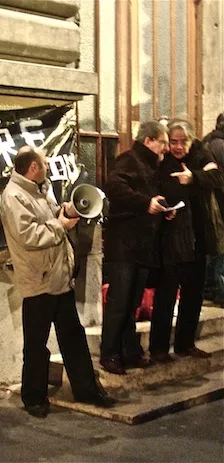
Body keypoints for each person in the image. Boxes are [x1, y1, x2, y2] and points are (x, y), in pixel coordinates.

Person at [0, 145, 116, 419]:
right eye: (45, 164)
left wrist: (66, 210)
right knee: (37, 343)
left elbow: (51, 215)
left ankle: (87, 389)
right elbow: (29, 236)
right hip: (38, 280)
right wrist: (61, 226)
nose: (49, 167)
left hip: (58, 277)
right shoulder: (14, 197)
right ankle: (34, 397)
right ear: (33, 168)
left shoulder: (40, 190)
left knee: (73, 337)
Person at [151, 118, 223, 360]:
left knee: (194, 293)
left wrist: (194, 178)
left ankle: (185, 343)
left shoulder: (200, 156)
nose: (178, 146)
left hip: (198, 235)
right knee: (166, 294)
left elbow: (218, 178)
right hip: (171, 237)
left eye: (183, 142)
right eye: (173, 142)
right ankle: (159, 348)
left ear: (192, 141)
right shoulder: (163, 162)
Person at [100, 121, 169, 375]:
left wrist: (161, 209)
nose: (165, 147)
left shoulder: (151, 165)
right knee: (119, 301)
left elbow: (146, 198)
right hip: (124, 246)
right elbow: (115, 188)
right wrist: (145, 204)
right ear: (149, 140)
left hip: (141, 246)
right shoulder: (129, 159)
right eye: (162, 142)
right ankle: (109, 353)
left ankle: (130, 351)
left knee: (132, 303)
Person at [202, 112, 224, 305]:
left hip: (210, 201)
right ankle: (218, 291)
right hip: (218, 201)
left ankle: (210, 288)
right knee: (219, 248)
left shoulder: (208, 141)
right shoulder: (220, 146)